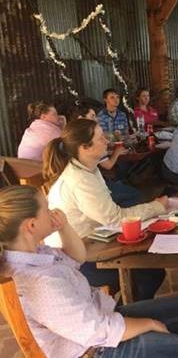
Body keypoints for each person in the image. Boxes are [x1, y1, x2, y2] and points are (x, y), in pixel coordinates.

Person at [0, 185, 178, 358]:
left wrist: (64, 226)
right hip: (94, 350)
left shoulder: (34, 254)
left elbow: (77, 258)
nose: (52, 212)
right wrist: (149, 323)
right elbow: (95, 331)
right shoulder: (38, 283)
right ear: (31, 225)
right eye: (46, 209)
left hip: (100, 322)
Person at [42, 119, 168, 300]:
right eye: (101, 138)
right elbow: (115, 218)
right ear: (85, 147)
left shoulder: (88, 168)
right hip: (76, 261)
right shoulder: (79, 179)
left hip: (90, 244)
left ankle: (130, 316)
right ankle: (126, 319)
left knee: (146, 261)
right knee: (149, 274)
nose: (107, 141)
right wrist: (158, 206)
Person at [71, 104, 140, 207]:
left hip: (92, 182)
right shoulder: (87, 138)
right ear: (81, 119)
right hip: (94, 186)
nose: (97, 119)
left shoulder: (74, 136)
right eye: (92, 116)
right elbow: (107, 165)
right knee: (135, 193)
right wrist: (116, 152)